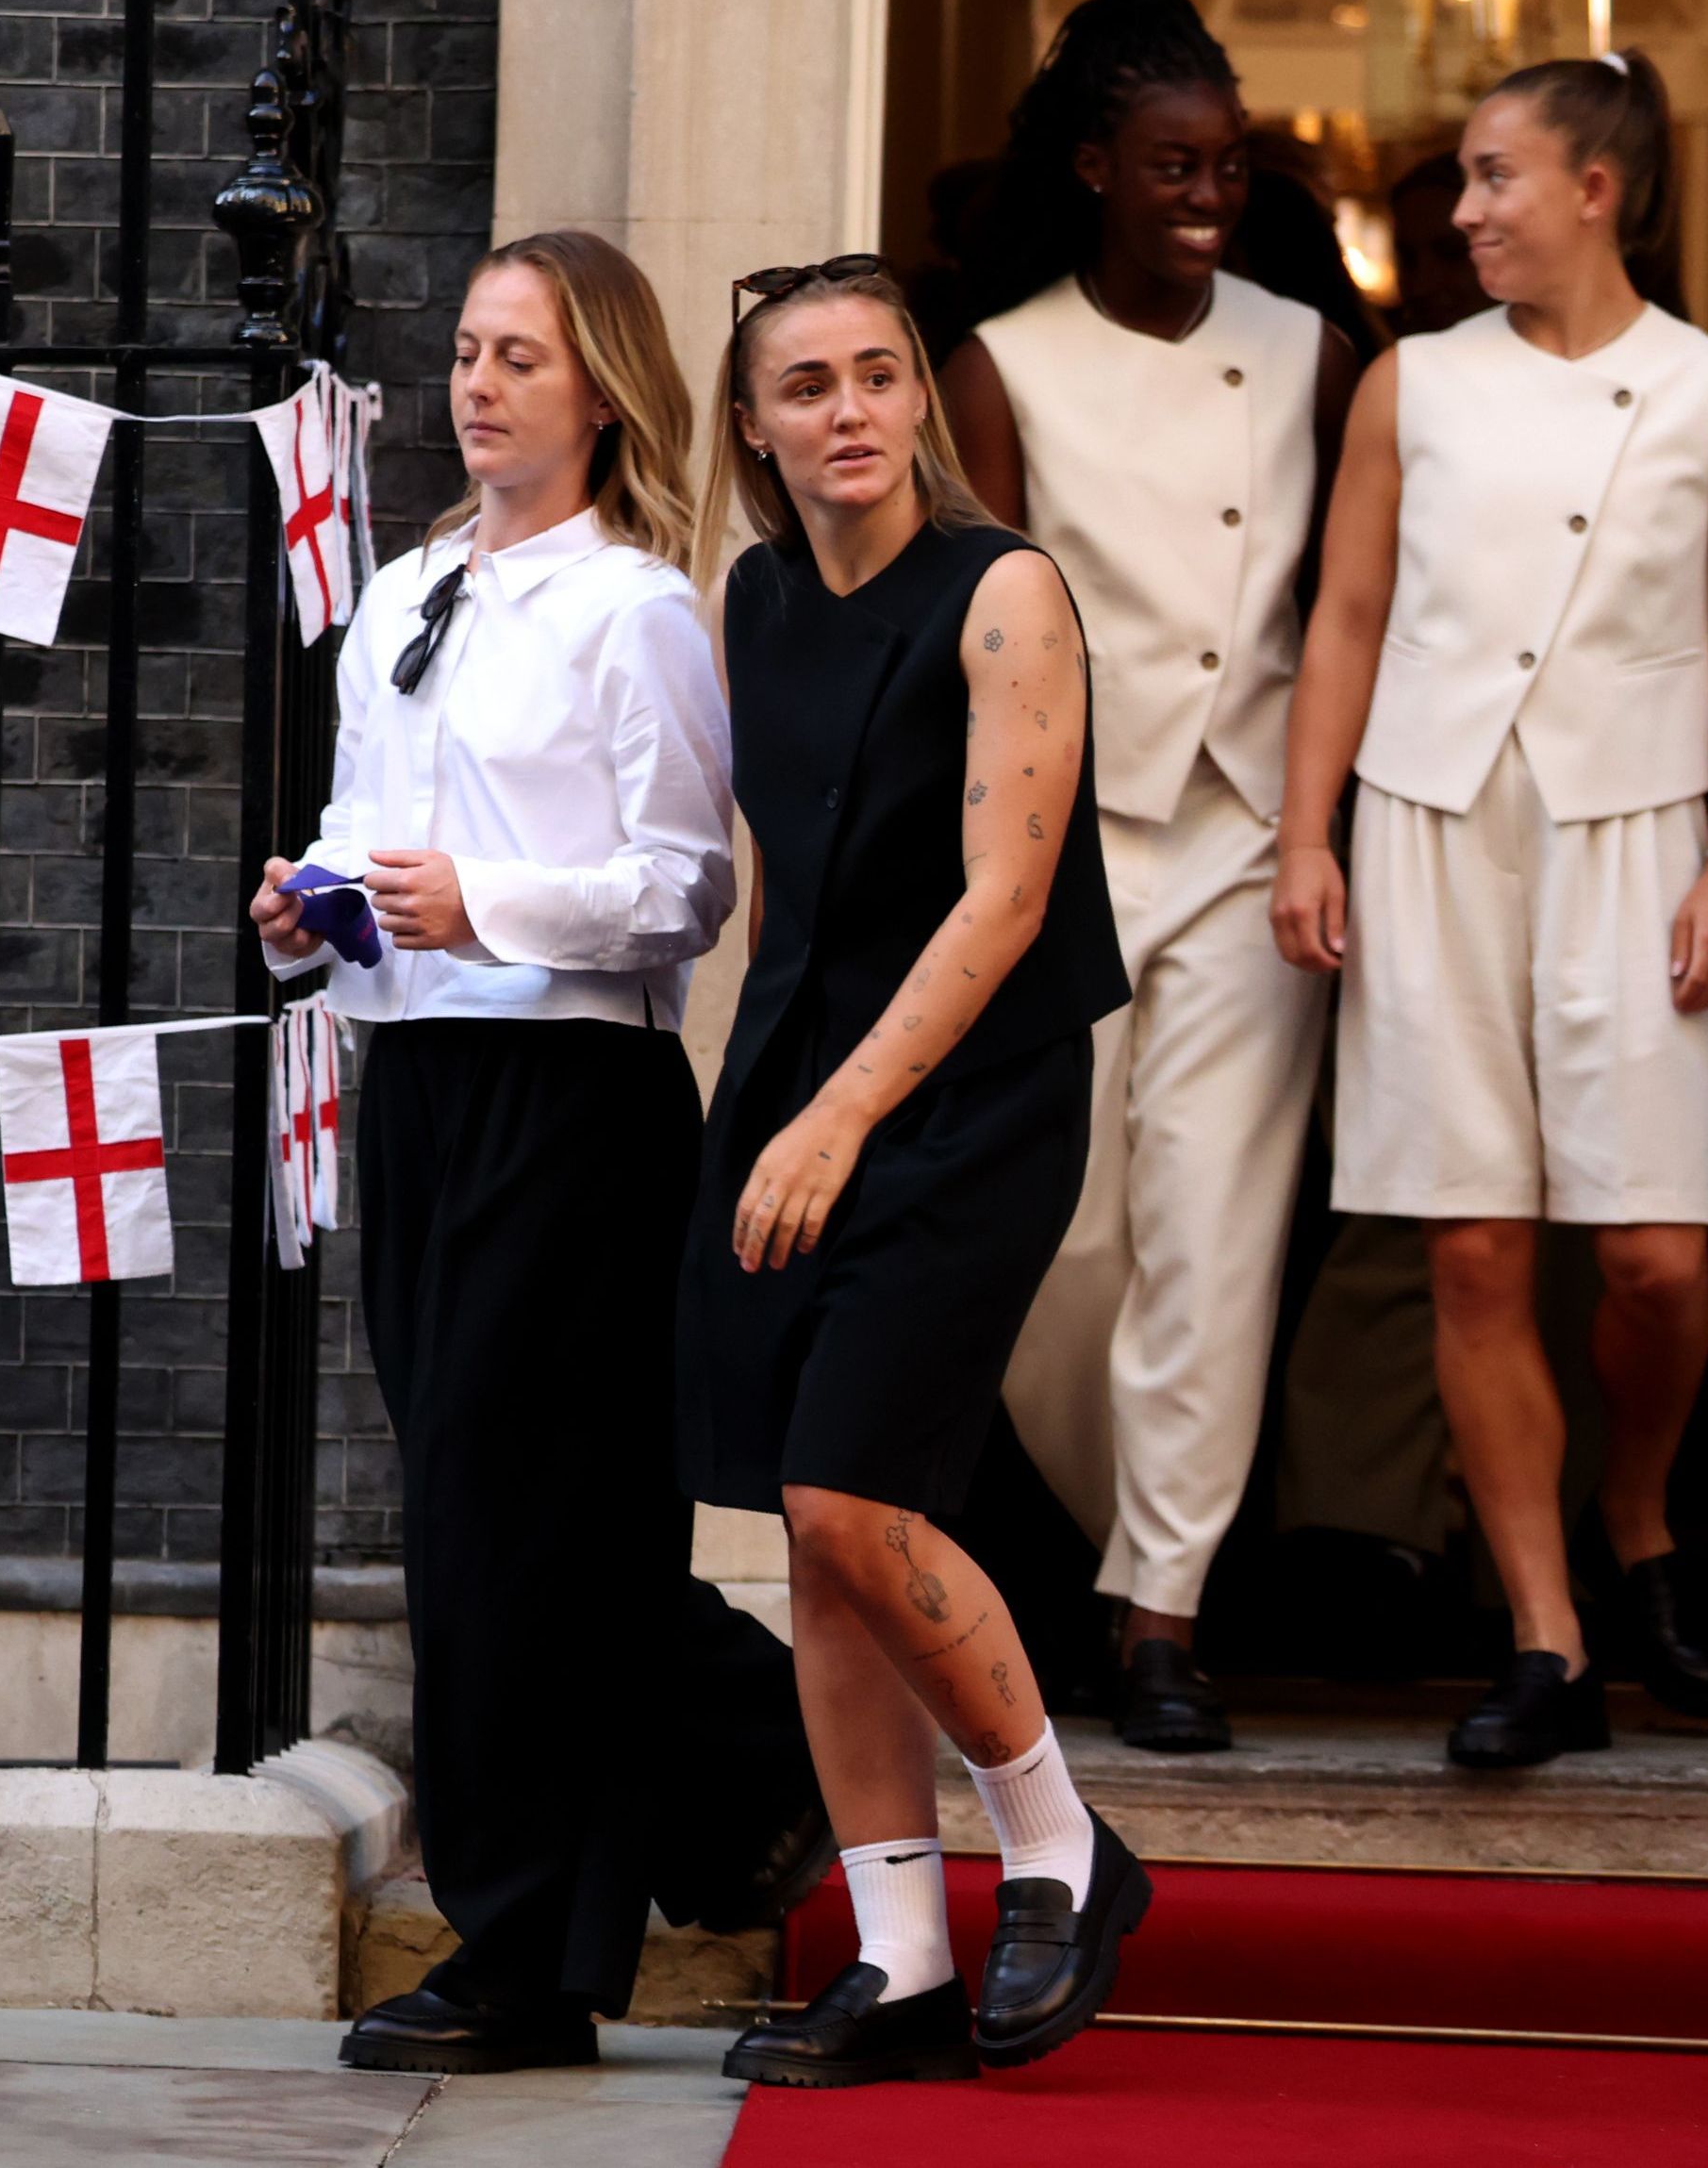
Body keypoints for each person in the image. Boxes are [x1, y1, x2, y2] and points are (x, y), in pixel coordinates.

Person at [251, 232, 823, 2076]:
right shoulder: (409, 587)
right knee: (490, 1523)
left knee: (511, 1530)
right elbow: (364, 836)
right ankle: (752, 1757)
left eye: (524, 357)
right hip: (410, 1085)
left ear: (601, 392)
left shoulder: (637, 609)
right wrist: (309, 911)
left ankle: (525, 1949)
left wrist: (476, 897)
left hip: (569, 1099)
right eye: (472, 348)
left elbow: (687, 888)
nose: (480, 383)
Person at [1272, 53, 1708, 1769]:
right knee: (1475, 1241)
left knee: (1651, 1254)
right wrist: (1308, 834)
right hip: (1431, 825)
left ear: (1597, 188)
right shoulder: (1410, 385)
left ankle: (1637, 1510)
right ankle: (1547, 1633)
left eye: (1496, 177)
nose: (1466, 211)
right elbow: (1343, 617)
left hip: (1640, 836)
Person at [681, 257, 1143, 2090]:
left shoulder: (1007, 590)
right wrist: (765, 1095)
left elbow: (1006, 901)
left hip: (975, 1091)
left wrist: (838, 1115)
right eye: (809, 385)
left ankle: (1060, 1842)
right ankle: (897, 1957)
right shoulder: (759, 597)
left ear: (920, 406)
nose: (851, 410)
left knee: (858, 1491)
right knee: (810, 1528)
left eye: (880, 375)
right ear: (755, 424)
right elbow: (790, 883)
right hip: (803, 1077)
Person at [941, 0, 1361, 1754]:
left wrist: (1327, 829)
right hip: (1070, 851)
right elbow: (966, 634)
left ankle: (1163, 1609)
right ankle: (1119, 1533)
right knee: (1071, 1240)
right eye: (1175, 164)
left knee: (1220, 1232)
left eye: (1231, 164)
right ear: (1099, 168)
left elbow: (1352, 606)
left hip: (1253, 840)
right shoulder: (1005, 358)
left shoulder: (1310, 345)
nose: (1209, 192)